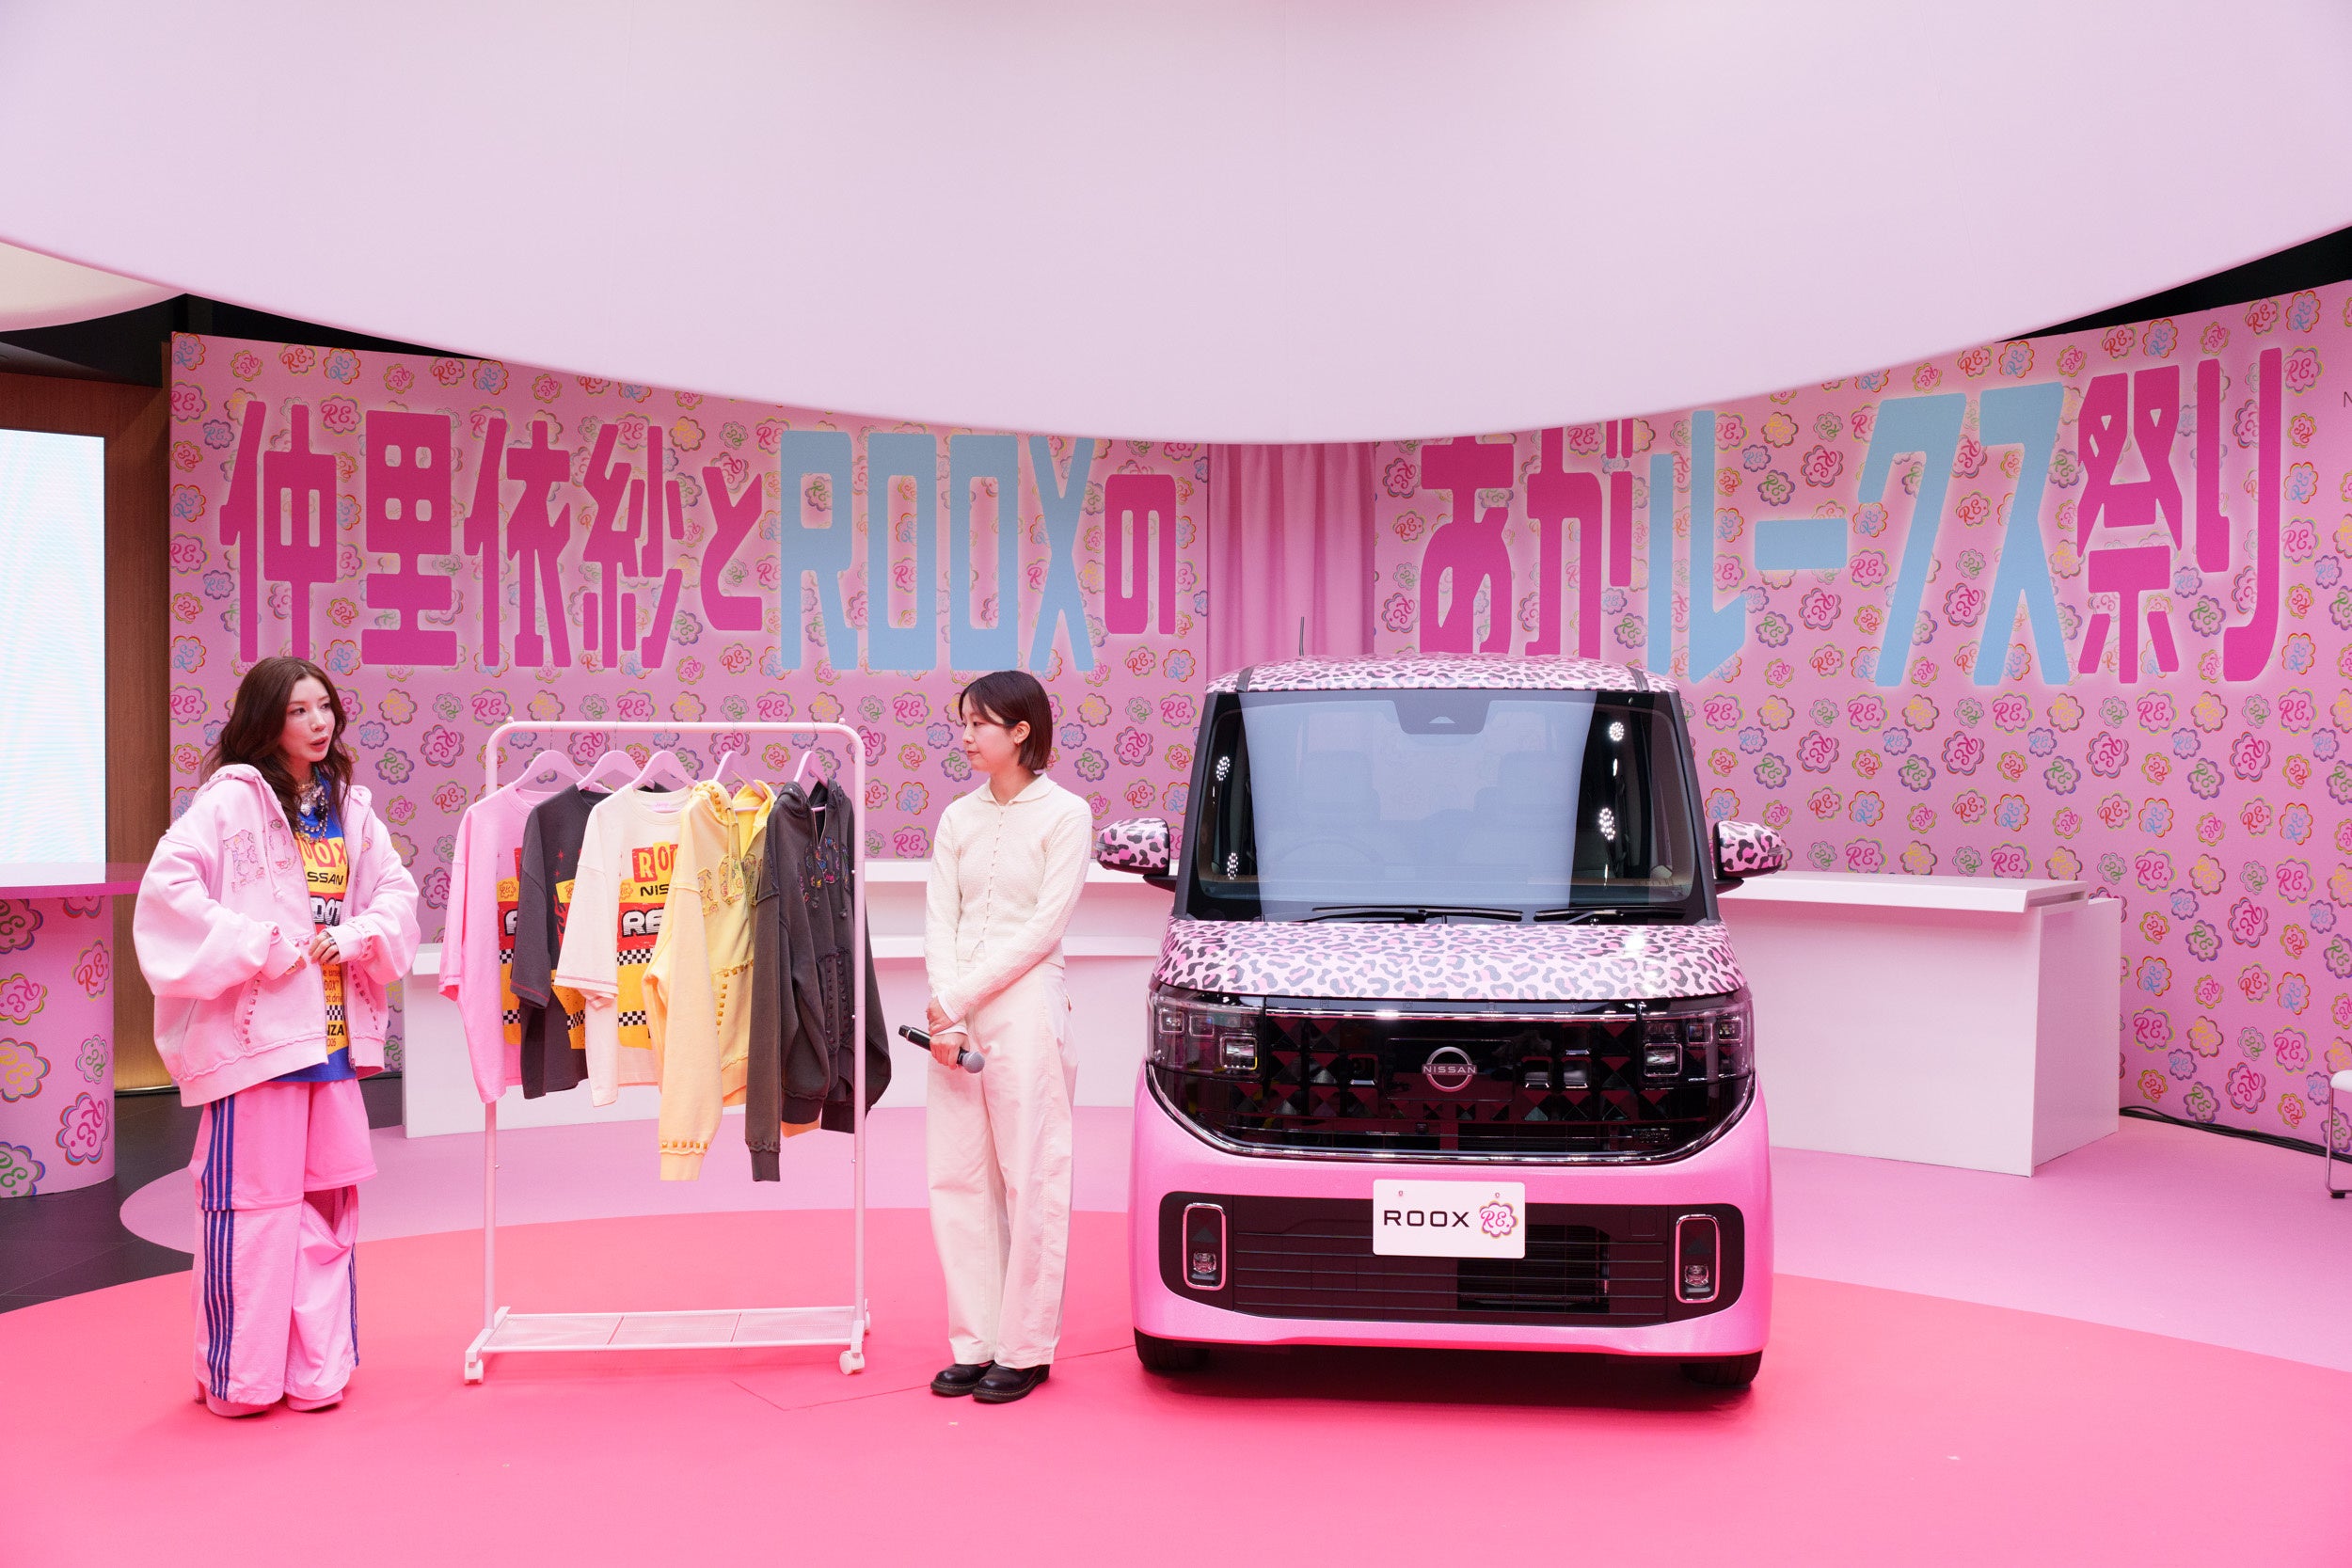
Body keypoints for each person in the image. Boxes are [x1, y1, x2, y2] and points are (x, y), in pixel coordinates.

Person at [134, 656, 419, 1418]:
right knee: (250, 1214)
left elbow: (396, 894)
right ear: (266, 719)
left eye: (324, 707)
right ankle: (243, 1378)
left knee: (327, 1210)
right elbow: (167, 894)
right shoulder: (229, 801)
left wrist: (356, 935)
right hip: (257, 1048)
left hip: (332, 1045)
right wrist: (258, 943)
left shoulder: (349, 808)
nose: (318, 723)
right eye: (298, 710)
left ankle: (318, 1371)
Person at [922, 670, 1093, 1403]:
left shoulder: (1066, 814)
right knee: (959, 1176)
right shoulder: (957, 818)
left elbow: (1043, 928)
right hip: (956, 1016)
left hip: (1025, 1007)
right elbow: (941, 920)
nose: (965, 736)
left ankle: (1024, 1347)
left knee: (1032, 1176)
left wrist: (955, 999)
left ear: (1021, 730)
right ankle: (976, 1342)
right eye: (962, 722)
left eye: (978, 724)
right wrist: (950, 1014)